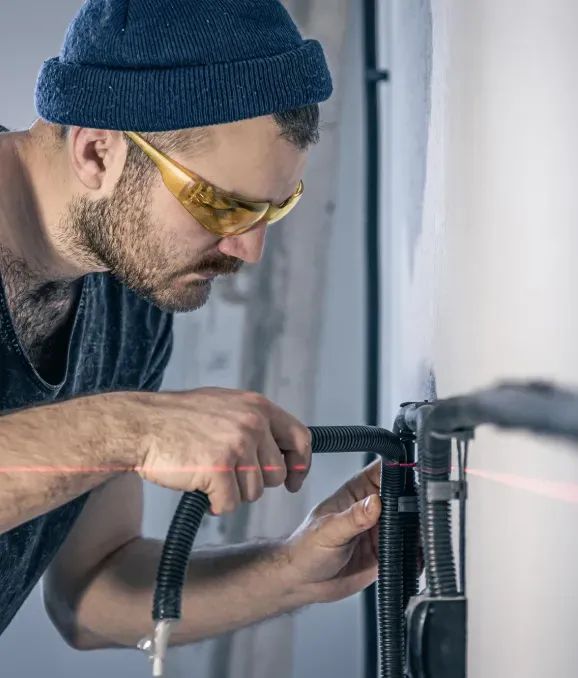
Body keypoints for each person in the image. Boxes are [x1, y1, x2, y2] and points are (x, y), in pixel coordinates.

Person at [0, 0, 385, 652]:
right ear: (97, 152)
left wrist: (294, 570)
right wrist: (135, 428)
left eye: (274, 209)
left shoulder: (134, 297)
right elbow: (124, 434)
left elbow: (91, 589)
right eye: (221, 205)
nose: (248, 251)